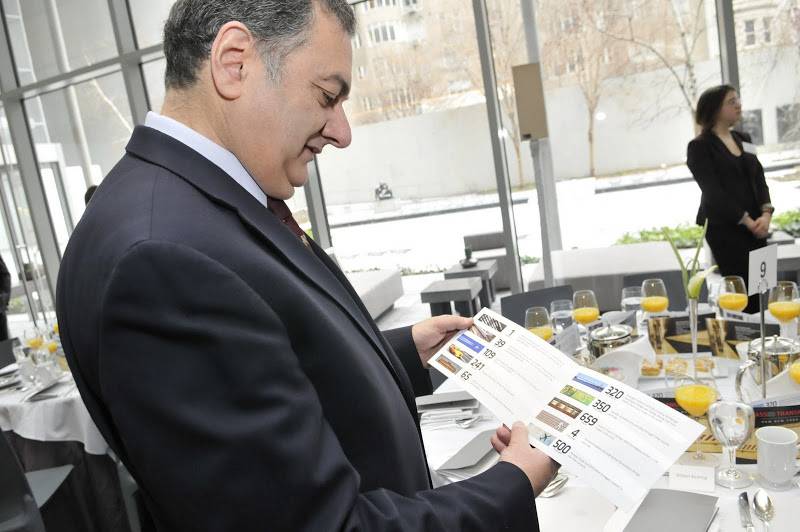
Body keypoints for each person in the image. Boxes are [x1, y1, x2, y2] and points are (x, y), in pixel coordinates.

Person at [55, 1, 557, 530]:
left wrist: (402, 353)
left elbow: (260, 371)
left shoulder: (178, 207)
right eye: (326, 96)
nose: (342, 132)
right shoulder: (162, 259)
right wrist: (514, 482)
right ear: (234, 62)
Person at [687, 84, 773, 313]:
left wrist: (766, 214)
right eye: (731, 102)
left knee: (763, 290)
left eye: (738, 100)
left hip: (758, 226)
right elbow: (713, 192)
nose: (738, 105)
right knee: (742, 297)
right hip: (726, 229)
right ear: (714, 109)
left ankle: (766, 332)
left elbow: (759, 178)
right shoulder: (699, 147)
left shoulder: (744, 138)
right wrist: (747, 221)